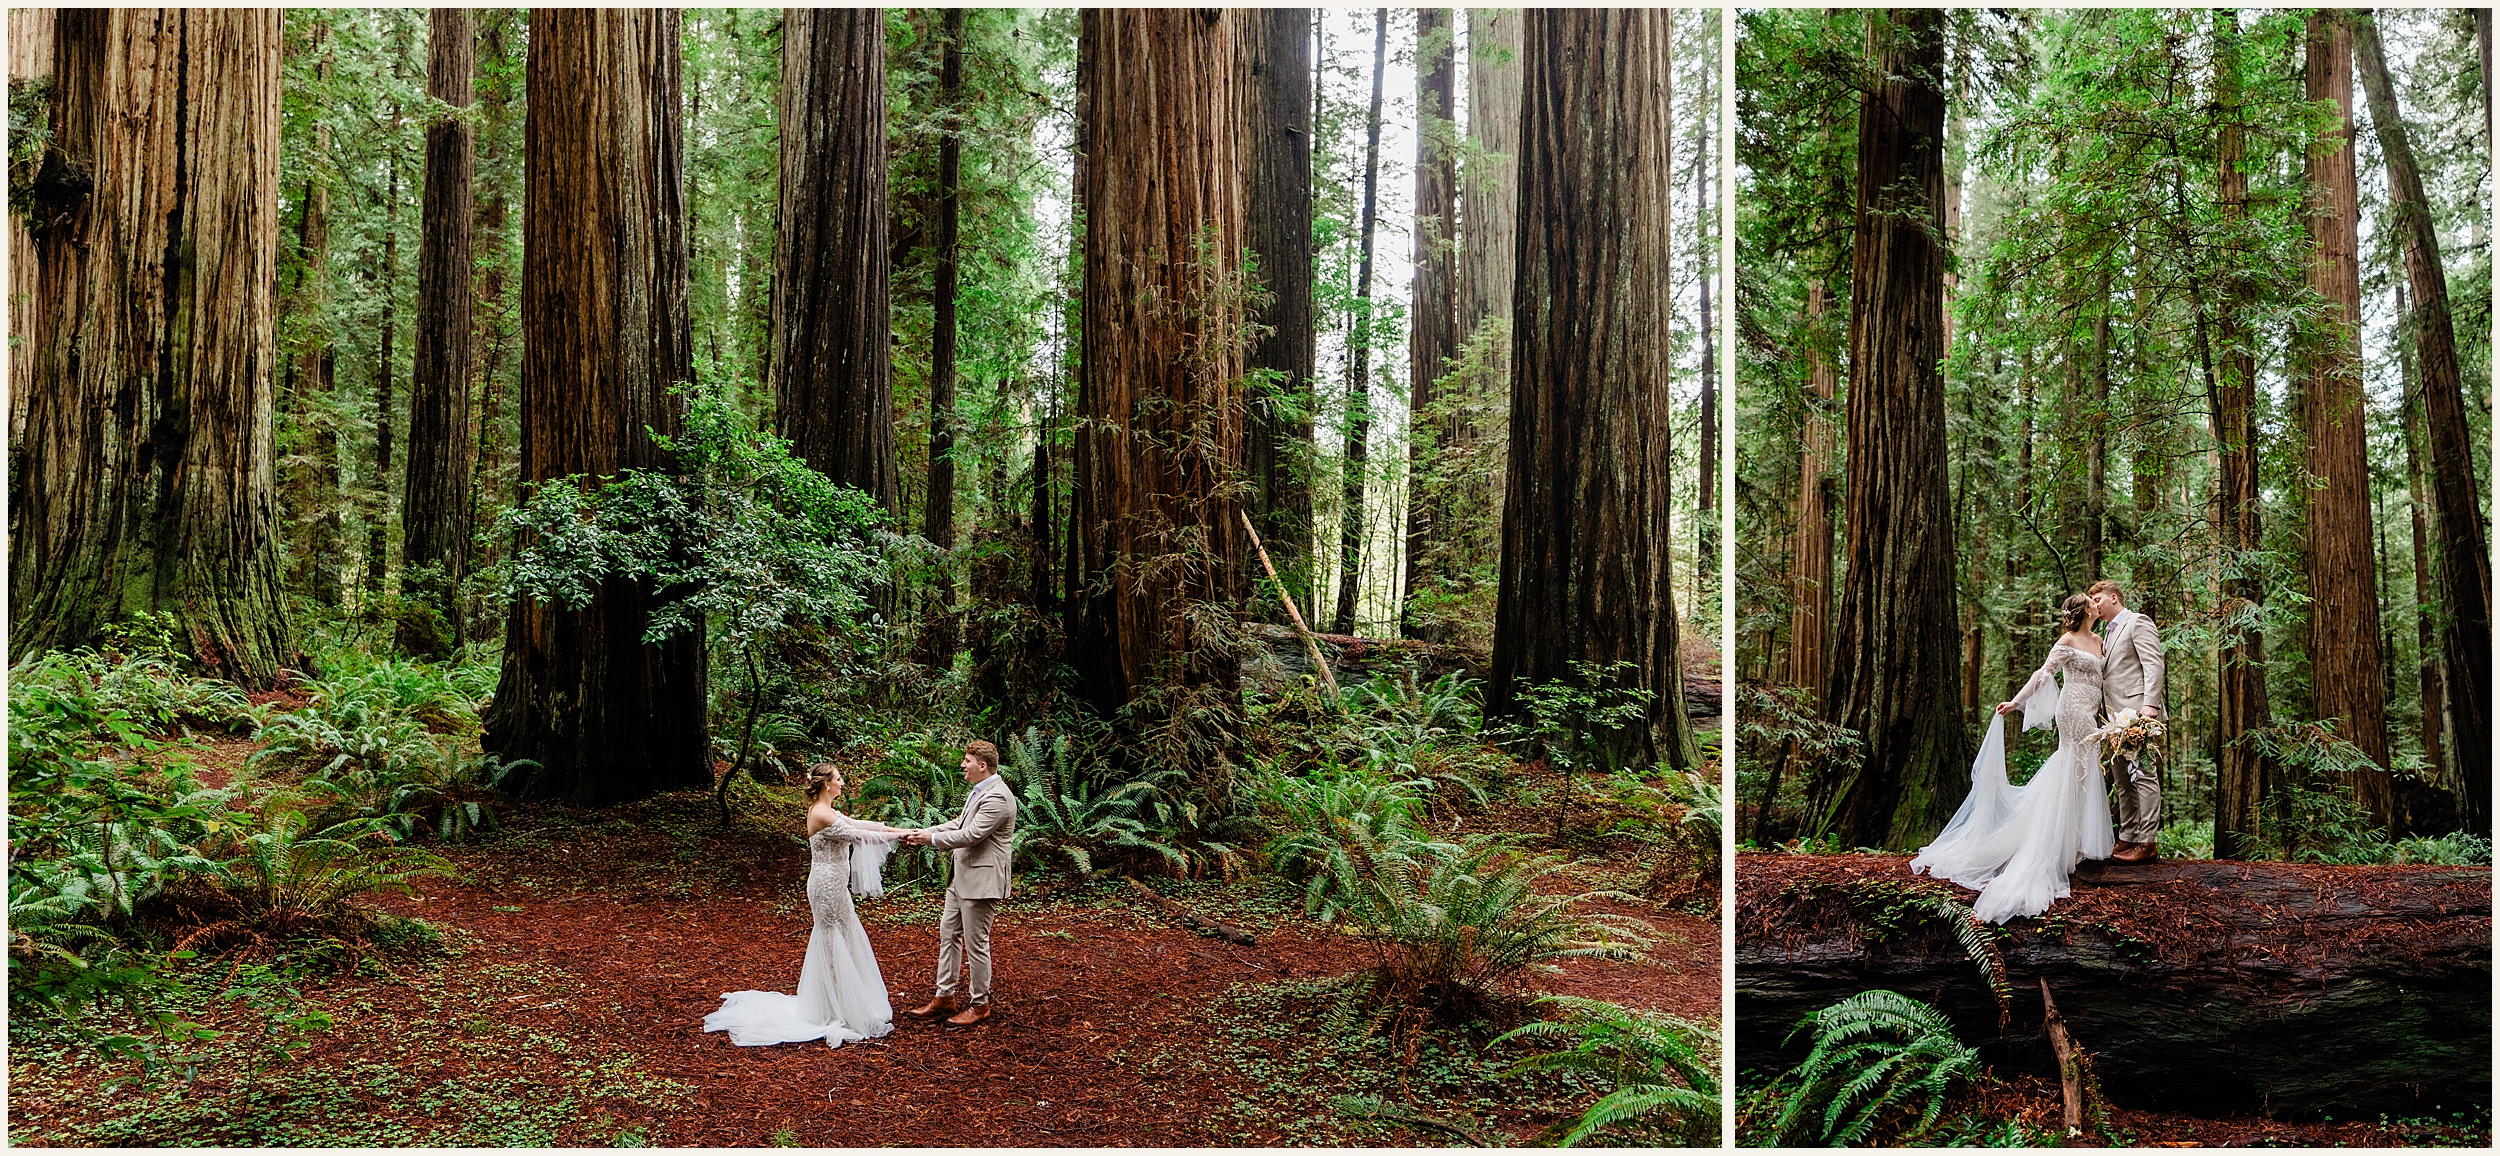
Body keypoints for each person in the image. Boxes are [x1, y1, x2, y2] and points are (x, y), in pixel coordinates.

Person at [1909, 592, 2117, 923]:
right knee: (2074, 769)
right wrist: (2016, 702)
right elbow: (2043, 674)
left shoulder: (2098, 639)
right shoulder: (2068, 640)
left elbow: (2104, 683)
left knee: (2084, 770)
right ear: (2084, 610)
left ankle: (2074, 844)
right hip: (2073, 710)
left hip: (2092, 712)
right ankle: (2056, 849)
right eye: (2090, 600)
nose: (2095, 601)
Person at [702, 764, 911, 1047]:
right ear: (827, 784)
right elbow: (859, 836)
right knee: (833, 942)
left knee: (844, 938)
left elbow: (860, 825)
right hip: (826, 887)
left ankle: (839, 1002)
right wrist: (902, 836)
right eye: (839, 779)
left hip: (835, 886)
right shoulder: (822, 813)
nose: (843, 783)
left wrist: (903, 829)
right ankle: (838, 1009)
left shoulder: (828, 810)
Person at [900, 740, 1017, 1026]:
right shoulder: (979, 791)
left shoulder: (998, 797)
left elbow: (972, 835)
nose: (962, 765)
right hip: (961, 877)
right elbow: (959, 824)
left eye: (967, 760)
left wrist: (932, 840)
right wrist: (924, 831)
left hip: (982, 880)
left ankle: (980, 1005)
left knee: (976, 943)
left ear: (983, 765)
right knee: (948, 935)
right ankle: (945, 997)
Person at [2090, 580, 2167, 863]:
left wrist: (2150, 705)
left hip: (2138, 713)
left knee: (2144, 775)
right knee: (2123, 778)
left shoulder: (2137, 622)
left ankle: (2146, 842)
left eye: (2098, 599)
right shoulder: (2104, 634)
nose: (2094, 605)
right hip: (2113, 719)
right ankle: (2127, 837)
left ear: (2113, 597)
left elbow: (2153, 663)